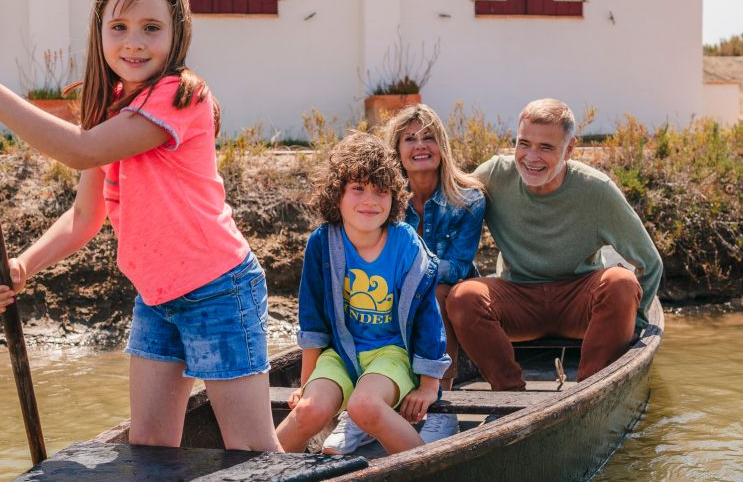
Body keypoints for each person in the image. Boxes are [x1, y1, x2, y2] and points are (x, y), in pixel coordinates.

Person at [0, 0, 282, 452]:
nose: (133, 42)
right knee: (149, 448)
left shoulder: (181, 96)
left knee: (251, 453)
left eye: (151, 28)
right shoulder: (108, 105)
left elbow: (81, 149)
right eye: (118, 27)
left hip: (218, 291)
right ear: (99, 31)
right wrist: (22, 265)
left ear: (177, 34)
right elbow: (84, 218)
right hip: (156, 297)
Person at [446, 98, 662, 391]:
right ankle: (509, 395)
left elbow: (650, 263)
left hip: (579, 300)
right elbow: (448, 200)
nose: (531, 157)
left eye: (546, 147)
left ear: (569, 149)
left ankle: (589, 391)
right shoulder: (495, 175)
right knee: (462, 297)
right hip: (517, 298)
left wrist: (634, 325)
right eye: (524, 143)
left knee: (621, 282)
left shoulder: (596, 190)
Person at [275, 133, 450, 456]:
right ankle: (257, 474)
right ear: (336, 197)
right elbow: (312, 318)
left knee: (364, 406)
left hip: (391, 354)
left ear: (393, 198)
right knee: (309, 410)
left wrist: (428, 384)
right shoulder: (323, 242)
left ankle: (432, 469)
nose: (370, 200)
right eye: (358, 189)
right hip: (341, 353)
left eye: (380, 191)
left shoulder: (406, 245)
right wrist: (306, 383)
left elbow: (428, 317)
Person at [321, 105, 486, 449]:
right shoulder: (383, 198)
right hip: (385, 295)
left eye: (428, 137)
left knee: (435, 290)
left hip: (448, 294)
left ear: (442, 146)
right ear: (396, 150)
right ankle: (362, 410)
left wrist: (408, 273)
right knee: (359, 289)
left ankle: (440, 403)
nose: (419, 145)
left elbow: (456, 266)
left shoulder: (469, 199)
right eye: (409, 139)